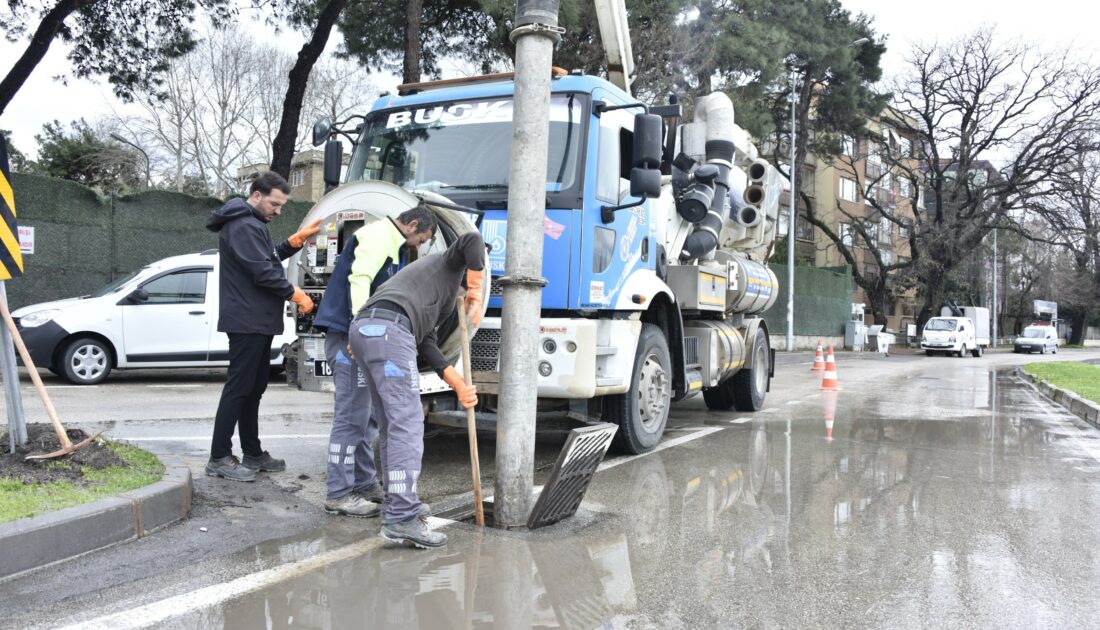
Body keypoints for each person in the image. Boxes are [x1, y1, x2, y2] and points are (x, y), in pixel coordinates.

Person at [348, 231, 485, 548]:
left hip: (366, 330)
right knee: (408, 424)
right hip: (389, 331)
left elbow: (426, 343)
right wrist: (477, 292)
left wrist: (457, 382)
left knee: (391, 424)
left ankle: (398, 506)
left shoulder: (434, 294)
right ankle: (402, 517)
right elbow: (471, 240)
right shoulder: (447, 263)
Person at [312, 204, 437, 517]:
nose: (419, 246)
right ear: (411, 225)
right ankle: (338, 494)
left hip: (355, 336)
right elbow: (360, 279)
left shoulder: (392, 243)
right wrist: (359, 327)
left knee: (365, 416)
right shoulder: (379, 235)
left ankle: (364, 482)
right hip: (348, 337)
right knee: (351, 416)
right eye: (421, 239)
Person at [204, 171, 320, 482]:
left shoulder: (252, 224)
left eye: (281, 205)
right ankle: (218, 456)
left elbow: (266, 260)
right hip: (247, 321)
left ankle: (252, 453)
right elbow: (262, 273)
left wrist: (292, 244)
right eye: (274, 204)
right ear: (256, 196)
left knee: (253, 389)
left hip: (257, 320)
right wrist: (296, 294)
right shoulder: (242, 225)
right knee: (239, 388)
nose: (278, 211)